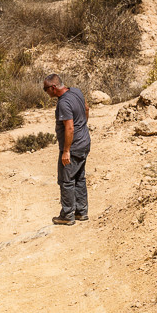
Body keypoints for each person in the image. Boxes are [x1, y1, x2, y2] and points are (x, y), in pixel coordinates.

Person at [43, 74, 90, 225]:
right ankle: (81, 212)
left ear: (53, 87)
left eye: (46, 89)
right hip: (84, 142)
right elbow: (86, 108)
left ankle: (67, 214)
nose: (46, 92)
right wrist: (82, 127)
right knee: (79, 177)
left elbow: (69, 128)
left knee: (66, 180)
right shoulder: (76, 91)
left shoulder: (63, 103)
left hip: (74, 146)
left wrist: (66, 150)